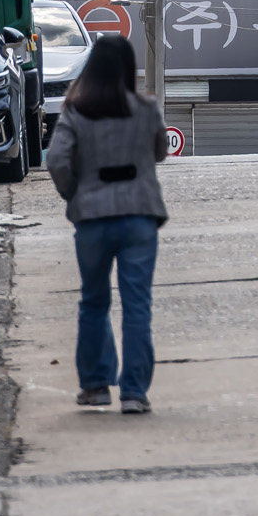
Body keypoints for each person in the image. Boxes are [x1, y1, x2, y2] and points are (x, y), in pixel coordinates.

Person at [46, 34, 168, 415]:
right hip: (138, 218)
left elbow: (56, 161)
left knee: (94, 301)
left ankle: (97, 386)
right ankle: (134, 392)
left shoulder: (75, 111)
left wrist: (75, 194)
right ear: (129, 68)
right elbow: (161, 151)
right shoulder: (146, 108)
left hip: (93, 219)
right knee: (137, 305)